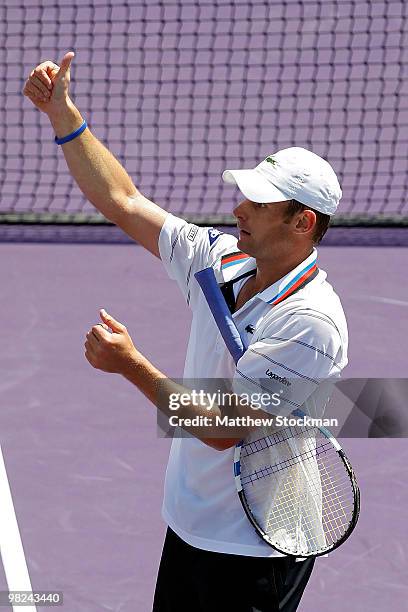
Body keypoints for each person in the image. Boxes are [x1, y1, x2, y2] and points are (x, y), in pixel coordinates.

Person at [23, 52, 348, 611]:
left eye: (259, 202)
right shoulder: (219, 259)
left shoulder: (310, 323)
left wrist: (130, 365)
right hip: (191, 525)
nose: (238, 208)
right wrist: (63, 116)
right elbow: (124, 202)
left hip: (253, 551)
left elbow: (223, 430)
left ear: (303, 223)